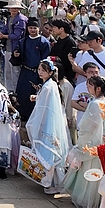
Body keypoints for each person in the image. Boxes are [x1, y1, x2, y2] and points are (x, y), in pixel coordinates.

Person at [62, 75, 105, 208]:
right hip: (102, 141)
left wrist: (82, 140)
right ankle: (98, 201)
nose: (87, 87)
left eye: (90, 85)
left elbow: (88, 126)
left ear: (98, 88)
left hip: (93, 141)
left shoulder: (95, 104)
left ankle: (88, 201)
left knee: (90, 171)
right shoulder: (104, 102)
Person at [25, 58, 71, 195]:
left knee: (49, 153)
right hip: (49, 121)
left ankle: (50, 183)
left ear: (50, 72)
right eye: (39, 69)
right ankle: (52, 182)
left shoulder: (48, 86)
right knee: (51, 152)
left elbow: (44, 108)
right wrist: (37, 97)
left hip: (47, 123)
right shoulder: (50, 85)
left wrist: (35, 123)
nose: (40, 72)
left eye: (43, 70)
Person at [14, 19, 51, 121]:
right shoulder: (23, 41)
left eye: (35, 28)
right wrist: (16, 54)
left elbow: (45, 60)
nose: (33, 30)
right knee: (22, 94)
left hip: (37, 73)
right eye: (30, 28)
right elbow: (18, 55)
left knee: (35, 95)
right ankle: (21, 116)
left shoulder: (44, 42)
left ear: (39, 28)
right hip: (25, 71)